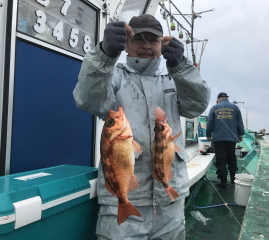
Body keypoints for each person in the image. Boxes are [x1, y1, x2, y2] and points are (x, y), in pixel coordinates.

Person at [73, 14, 211, 240]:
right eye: (138, 39)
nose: (146, 45)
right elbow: (87, 100)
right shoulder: (113, 75)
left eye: (153, 40)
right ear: (126, 45)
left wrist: (182, 67)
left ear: (161, 44)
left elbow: (197, 106)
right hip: (123, 200)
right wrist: (104, 55)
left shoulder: (173, 78)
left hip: (170, 202)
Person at [206, 92, 244, 189]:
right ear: (227, 98)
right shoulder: (235, 108)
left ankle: (223, 183)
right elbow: (240, 122)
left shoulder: (214, 108)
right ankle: (233, 180)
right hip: (232, 139)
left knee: (221, 160)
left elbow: (210, 123)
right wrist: (240, 135)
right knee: (232, 158)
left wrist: (208, 134)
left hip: (218, 139)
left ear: (218, 99)